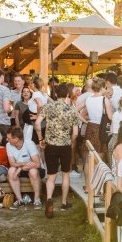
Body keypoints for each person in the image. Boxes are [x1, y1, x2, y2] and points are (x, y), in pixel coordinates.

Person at [36, 83, 78, 217]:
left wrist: (41, 139)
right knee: (65, 174)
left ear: (55, 94)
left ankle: (49, 199)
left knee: (51, 176)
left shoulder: (48, 107)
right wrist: (71, 142)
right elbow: (75, 133)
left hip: (51, 146)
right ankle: (64, 202)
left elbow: (37, 123)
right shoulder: (71, 110)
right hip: (65, 146)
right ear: (67, 95)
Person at [6, 127, 44, 209]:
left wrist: (20, 168)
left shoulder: (29, 143)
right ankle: (20, 200)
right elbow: (12, 163)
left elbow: (37, 164)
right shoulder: (8, 145)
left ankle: (37, 199)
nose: (6, 139)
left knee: (33, 171)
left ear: (16, 139)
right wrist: (23, 164)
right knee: (11, 171)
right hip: (22, 167)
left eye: (8, 138)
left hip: (35, 168)